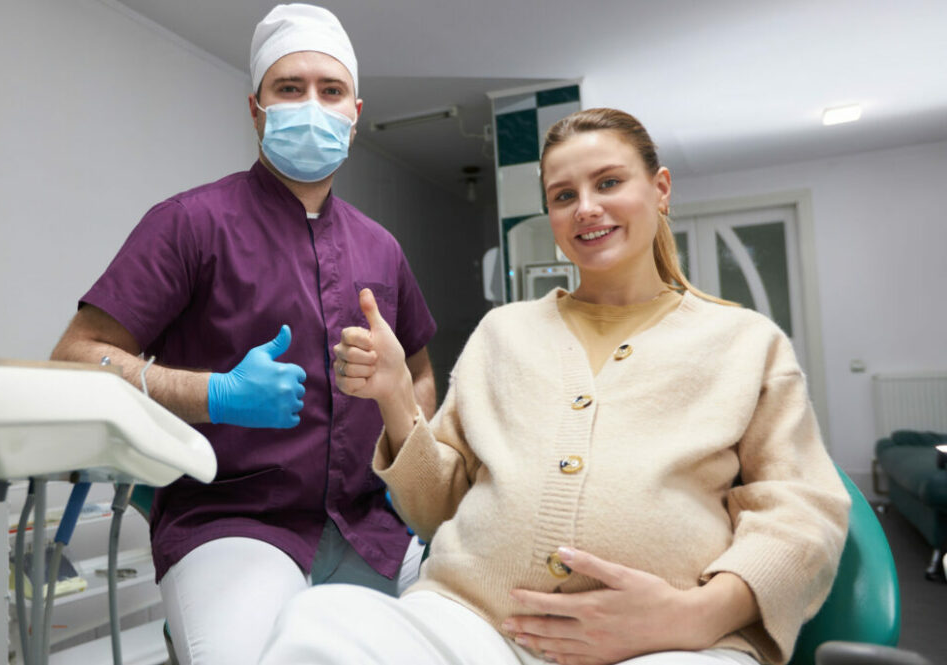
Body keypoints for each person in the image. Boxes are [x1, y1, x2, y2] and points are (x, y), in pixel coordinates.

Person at [259, 108, 851, 665]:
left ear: (661, 189)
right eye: (564, 196)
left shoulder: (747, 344)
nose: (586, 208)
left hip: (667, 645)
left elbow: (804, 514)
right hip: (473, 624)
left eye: (609, 182)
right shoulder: (503, 333)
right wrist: (394, 396)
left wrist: (697, 615)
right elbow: (439, 509)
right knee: (316, 622)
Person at [49, 4, 437, 663]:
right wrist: (214, 393)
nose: (312, 105)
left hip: (371, 525)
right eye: (290, 89)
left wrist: (401, 397)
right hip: (233, 520)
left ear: (355, 111)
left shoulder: (382, 248)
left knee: (471, 632)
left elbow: (421, 371)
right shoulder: (188, 224)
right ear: (256, 109)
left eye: (330, 90)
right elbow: (74, 359)